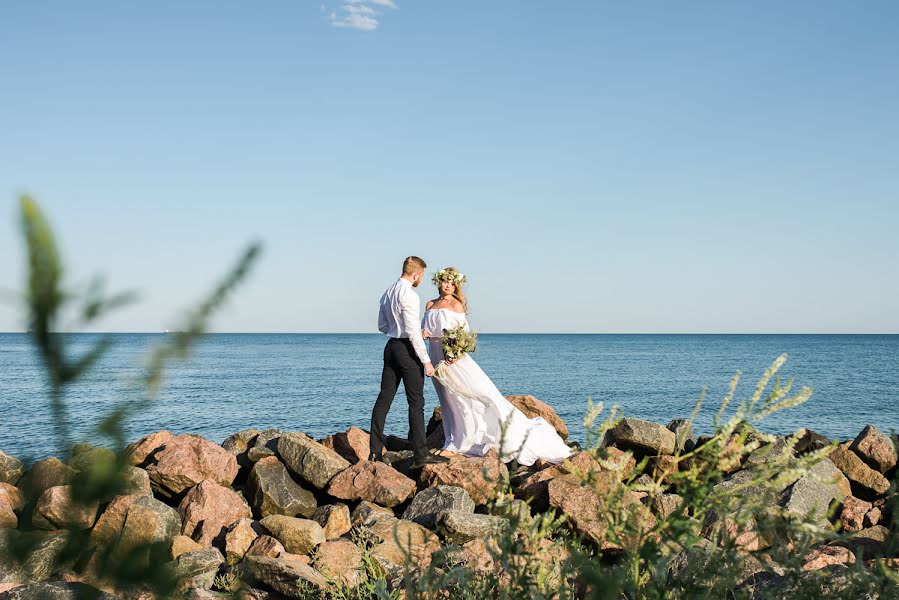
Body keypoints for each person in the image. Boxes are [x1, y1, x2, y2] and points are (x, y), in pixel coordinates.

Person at [422, 267, 573, 466]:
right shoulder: (430, 304)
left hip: (453, 359)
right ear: (438, 282)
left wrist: (454, 355)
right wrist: (423, 332)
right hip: (434, 356)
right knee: (446, 400)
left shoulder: (456, 305)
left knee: (465, 397)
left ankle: (460, 443)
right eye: (445, 281)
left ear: (456, 285)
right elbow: (425, 328)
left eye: (452, 282)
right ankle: (451, 439)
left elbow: (463, 336)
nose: (448, 286)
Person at [369, 256, 450, 468]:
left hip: (391, 347)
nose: (420, 280)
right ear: (416, 274)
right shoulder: (411, 296)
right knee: (416, 402)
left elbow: (382, 326)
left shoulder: (387, 293)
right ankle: (421, 454)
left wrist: (398, 332)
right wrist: (426, 362)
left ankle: (375, 452)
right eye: (420, 277)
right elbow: (414, 333)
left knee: (384, 399)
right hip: (407, 350)